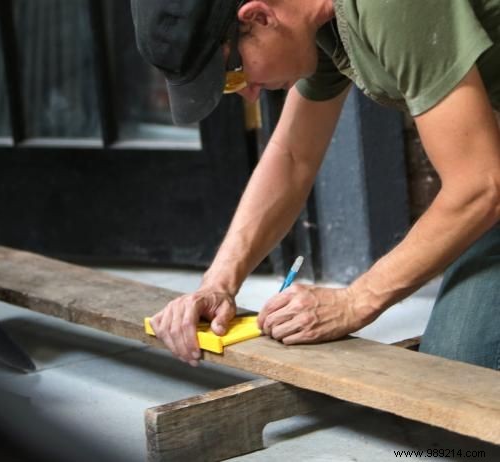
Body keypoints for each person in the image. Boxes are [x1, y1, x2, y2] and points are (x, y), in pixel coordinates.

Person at [131, 0, 500, 369]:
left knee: (470, 373)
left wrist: (355, 301)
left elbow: (480, 186)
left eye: (234, 74)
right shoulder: (321, 23)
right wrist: (218, 283)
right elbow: (293, 157)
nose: (248, 93)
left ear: (260, 17)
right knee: (461, 363)